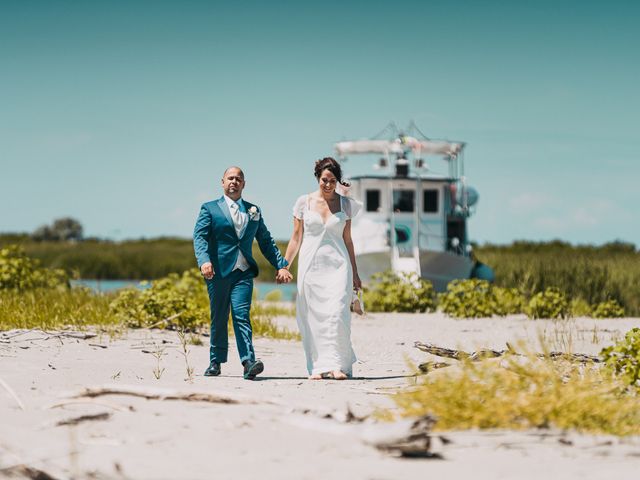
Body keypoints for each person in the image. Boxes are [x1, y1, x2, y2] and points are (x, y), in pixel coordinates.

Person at [193, 167, 292, 380]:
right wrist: (204, 261)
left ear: (244, 184)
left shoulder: (253, 210)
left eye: (238, 179)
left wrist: (281, 265)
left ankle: (248, 362)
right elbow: (199, 237)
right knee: (219, 316)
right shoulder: (209, 208)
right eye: (230, 178)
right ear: (222, 182)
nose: (234, 182)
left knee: (241, 315)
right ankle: (215, 361)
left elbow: (265, 241)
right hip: (217, 272)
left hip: (243, 272)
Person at [282, 157, 362, 380]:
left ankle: (337, 365)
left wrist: (355, 273)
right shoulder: (303, 202)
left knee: (337, 314)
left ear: (338, 181)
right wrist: (284, 266)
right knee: (313, 317)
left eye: (333, 181)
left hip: (339, 267)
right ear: (317, 178)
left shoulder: (346, 204)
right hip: (311, 267)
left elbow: (348, 240)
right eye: (324, 180)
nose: (328, 185)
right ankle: (318, 366)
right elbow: (296, 239)